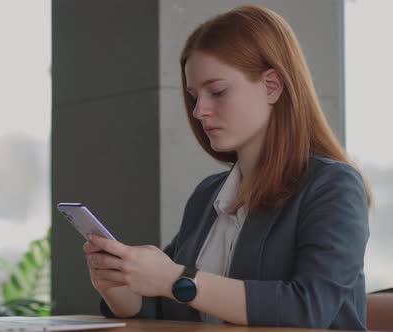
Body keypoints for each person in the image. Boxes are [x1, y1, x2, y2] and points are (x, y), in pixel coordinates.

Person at [82, 5, 371, 330]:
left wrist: (176, 278)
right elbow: (164, 305)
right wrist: (118, 285)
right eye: (194, 96)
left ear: (272, 85)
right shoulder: (209, 194)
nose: (199, 111)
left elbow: (308, 308)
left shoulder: (333, 186)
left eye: (217, 91)